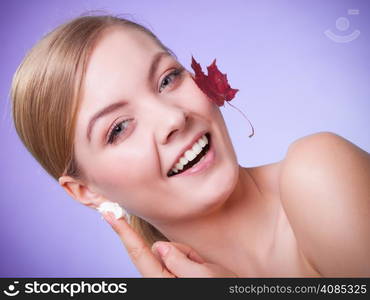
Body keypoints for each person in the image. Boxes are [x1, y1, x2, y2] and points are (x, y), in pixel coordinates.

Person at [11, 14, 370, 278]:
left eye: (167, 79)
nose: (172, 119)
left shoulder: (318, 171)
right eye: (118, 128)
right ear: (84, 190)